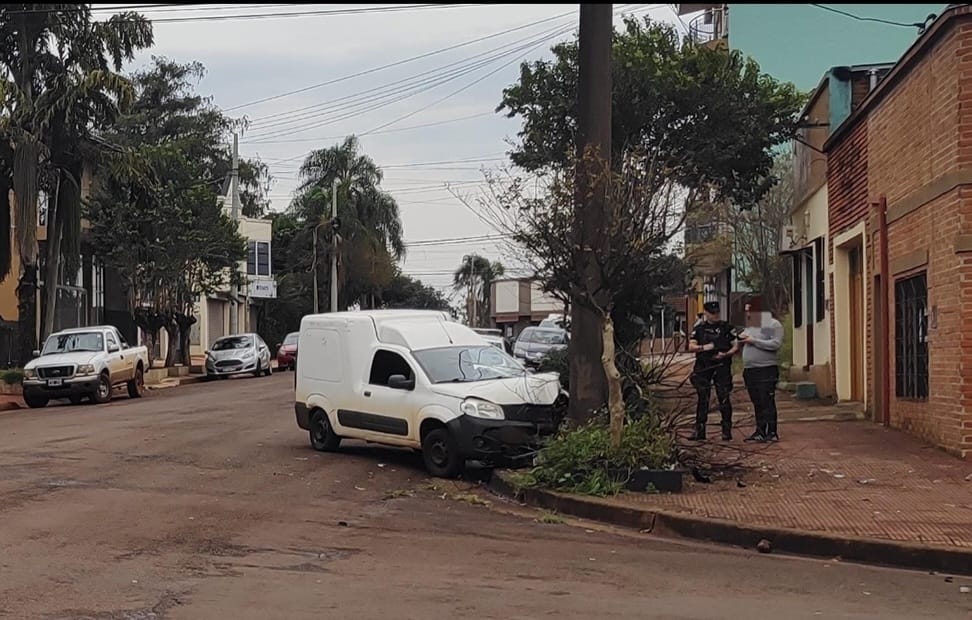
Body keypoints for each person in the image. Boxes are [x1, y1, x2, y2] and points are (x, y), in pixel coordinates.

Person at [688, 301, 739, 441]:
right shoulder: (700, 329)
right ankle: (700, 430)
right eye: (712, 313)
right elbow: (691, 346)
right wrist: (705, 348)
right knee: (703, 398)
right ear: (705, 313)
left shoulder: (726, 327)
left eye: (717, 313)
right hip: (704, 366)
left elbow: (735, 346)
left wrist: (726, 354)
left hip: (722, 365)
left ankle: (726, 430)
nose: (715, 315)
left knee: (724, 396)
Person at [738, 303, 784, 442]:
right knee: (757, 401)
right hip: (750, 369)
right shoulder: (750, 326)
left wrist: (753, 341)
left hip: (766, 369)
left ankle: (772, 432)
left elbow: (775, 344)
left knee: (767, 400)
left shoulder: (773, 324)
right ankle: (760, 431)